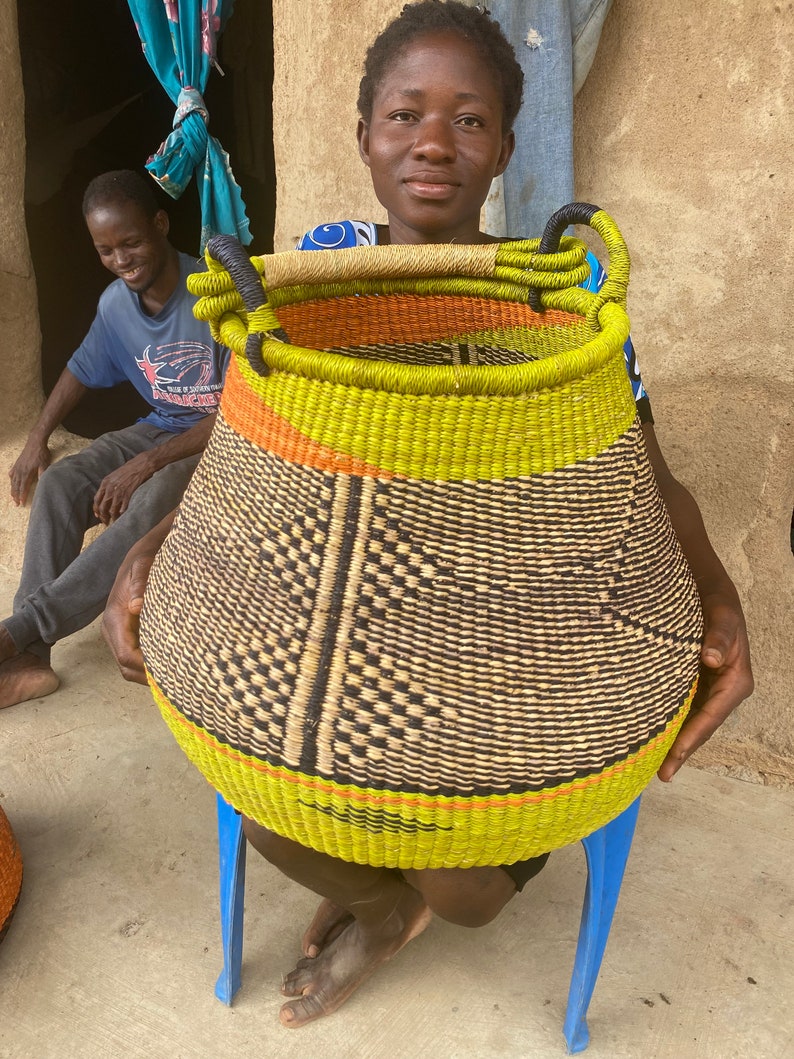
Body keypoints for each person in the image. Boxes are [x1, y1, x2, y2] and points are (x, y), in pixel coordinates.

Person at [102, 2, 753, 1030]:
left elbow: (646, 466)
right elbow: (245, 447)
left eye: (469, 120)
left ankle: (403, 899)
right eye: (404, 114)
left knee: (470, 891)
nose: (433, 144)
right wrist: (154, 548)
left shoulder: (557, 294)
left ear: (502, 147)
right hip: (338, 625)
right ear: (362, 134)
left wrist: (718, 595)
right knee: (269, 800)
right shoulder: (310, 274)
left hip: (518, 648)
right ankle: (379, 905)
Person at [1, 169, 229, 711]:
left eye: (131, 242)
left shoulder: (212, 299)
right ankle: (30, 657)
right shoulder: (115, 306)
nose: (121, 259)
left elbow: (236, 414)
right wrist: (37, 439)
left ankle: (18, 633)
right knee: (61, 482)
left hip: (214, 442)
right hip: (161, 424)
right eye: (106, 250)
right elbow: (81, 368)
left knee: (147, 500)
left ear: (160, 224)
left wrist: (147, 462)